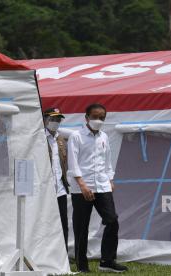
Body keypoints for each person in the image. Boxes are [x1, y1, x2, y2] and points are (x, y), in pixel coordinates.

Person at [68, 103, 128, 273]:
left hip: (102, 185)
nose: (98, 120)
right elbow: (72, 162)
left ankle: (107, 261)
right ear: (86, 117)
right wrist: (81, 184)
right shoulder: (76, 136)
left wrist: (110, 179)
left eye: (102, 117)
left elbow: (107, 160)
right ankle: (82, 265)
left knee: (112, 221)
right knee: (81, 227)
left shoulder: (104, 137)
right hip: (82, 187)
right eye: (95, 117)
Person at [43, 107, 69, 251]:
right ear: (45, 120)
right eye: (52, 119)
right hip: (44, 189)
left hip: (59, 188)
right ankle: (47, 252)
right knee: (45, 223)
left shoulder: (60, 138)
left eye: (58, 120)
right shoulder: (39, 138)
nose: (55, 122)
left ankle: (63, 253)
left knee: (63, 223)